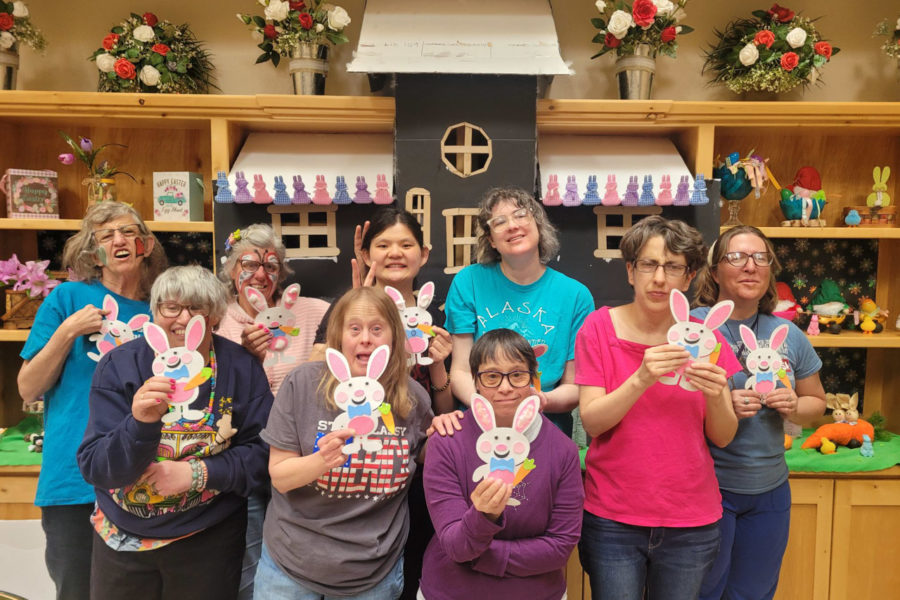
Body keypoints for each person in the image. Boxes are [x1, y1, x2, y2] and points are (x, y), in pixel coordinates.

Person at [77, 265, 273, 599]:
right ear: (154, 313)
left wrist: (196, 473)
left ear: (215, 316)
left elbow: (263, 454)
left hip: (208, 535)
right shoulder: (121, 366)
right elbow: (96, 466)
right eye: (172, 308)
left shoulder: (240, 367)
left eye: (198, 308)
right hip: (122, 537)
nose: (183, 319)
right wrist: (140, 423)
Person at [575, 215, 741, 600]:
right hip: (614, 517)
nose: (660, 278)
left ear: (690, 277)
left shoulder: (707, 341)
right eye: (648, 264)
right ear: (631, 271)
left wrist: (717, 394)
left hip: (690, 519)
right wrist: (640, 379)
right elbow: (593, 422)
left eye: (673, 267)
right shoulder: (598, 328)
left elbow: (724, 435)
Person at [17, 201, 166, 600]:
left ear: (146, 245)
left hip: (144, 479)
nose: (119, 240)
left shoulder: (162, 310)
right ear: (93, 251)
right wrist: (68, 331)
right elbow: (28, 387)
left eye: (129, 232)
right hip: (73, 480)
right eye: (106, 235)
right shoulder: (67, 297)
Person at [255, 286, 434, 600]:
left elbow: (432, 459)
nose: (365, 338)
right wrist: (321, 460)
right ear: (338, 337)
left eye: (377, 328)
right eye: (355, 328)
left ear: (394, 336)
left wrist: (448, 430)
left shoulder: (413, 398)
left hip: (372, 572)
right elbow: (280, 476)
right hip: (292, 566)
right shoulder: (302, 384)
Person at [310, 208, 454, 599]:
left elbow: (443, 412)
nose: (395, 252)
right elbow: (313, 377)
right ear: (366, 252)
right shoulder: (348, 313)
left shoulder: (436, 318)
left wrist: (438, 364)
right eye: (383, 244)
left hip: (417, 463)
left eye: (405, 244)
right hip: (359, 460)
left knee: (415, 561)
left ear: (423, 254)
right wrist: (355, 305)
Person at [693, 225, 825, 600]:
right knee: (703, 593)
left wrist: (795, 406)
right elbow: (664, 402)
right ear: (715, 271)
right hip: (707, 488)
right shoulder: (691, 326)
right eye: (736, 257)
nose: (750, 266)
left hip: (769, 492)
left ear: (769, 271)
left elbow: (817, 401)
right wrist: (720, 402)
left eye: (760, 257)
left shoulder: (788, 334)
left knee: (753, 594)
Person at [420, 328, 583, 600]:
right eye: (492, 376)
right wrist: (483, 516)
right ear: (476, 381)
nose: (505, 387)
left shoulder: (562, 450)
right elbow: (455, 546)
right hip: (452, 592)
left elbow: (560, 547)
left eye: (517, 375)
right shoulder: (447, 441)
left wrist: (483, 558)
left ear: (533, 378)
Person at [215, 224, 330, 600]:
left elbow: (359, 328)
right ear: (232, 269)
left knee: (298, 562)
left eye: (272, 265)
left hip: (301, 458)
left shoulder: (311, 312)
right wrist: (247, 360)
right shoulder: (217, 320)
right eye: (249, 263)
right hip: (245, 458)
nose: (261, 274)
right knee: (249, 557)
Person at [445, 187, 594, 436]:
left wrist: (539, 401)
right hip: (479, 426)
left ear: (538, 224)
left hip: (544, 427)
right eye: (499, 222)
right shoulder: (468, 282)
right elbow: (460, 370)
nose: (512, 226)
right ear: (491, 239)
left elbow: (574, 387)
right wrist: (488, 410)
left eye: (520, 215)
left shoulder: (576, 296)